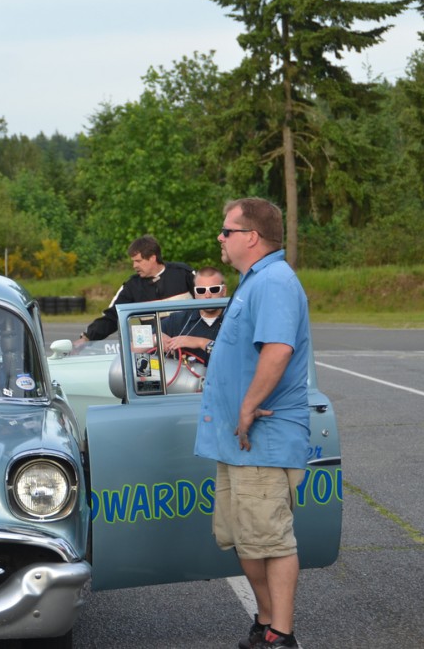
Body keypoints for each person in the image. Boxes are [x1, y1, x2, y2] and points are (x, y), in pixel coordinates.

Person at [194, 198, 312, 649]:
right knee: (243, 537)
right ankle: (265, 621)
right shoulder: (251, 282)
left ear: (251, 237)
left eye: (226, 231)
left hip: (261, 437)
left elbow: (278, 350)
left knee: (271, 539)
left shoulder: (275, 282)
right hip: (238, 442)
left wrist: (247, 408)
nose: (220, 238)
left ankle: (280, 635)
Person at [72, 235, 194, 351]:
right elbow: (112, 316)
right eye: (133, 261)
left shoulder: (183, 274)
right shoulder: (132, 286)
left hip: (189, 348)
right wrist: (87, 338)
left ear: (152, 258)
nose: (134, 266)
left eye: (138, 261)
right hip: (152, 353)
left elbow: (209, 298)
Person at [160, 266, 227, 365]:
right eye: (201, 290)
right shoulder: (177, 320)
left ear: (224, 291)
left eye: (214, 289)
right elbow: (134, 345)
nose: (207, 295)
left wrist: (200, 342)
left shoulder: (236, 319)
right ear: (195, 293)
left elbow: (238, 354)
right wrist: (156, 338)